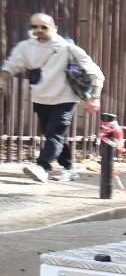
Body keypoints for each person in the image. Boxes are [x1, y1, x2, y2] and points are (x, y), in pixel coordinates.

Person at [5, 13, 104, 184]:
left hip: (65, 99)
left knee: (54, 134)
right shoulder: (25, 47)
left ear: (54, 28)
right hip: (41, 98)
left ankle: (42, 167)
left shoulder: (67, 48)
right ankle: (69, 168)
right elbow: (11, 66)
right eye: (34, 27)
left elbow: (96, 73)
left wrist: (94, 98)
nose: (39, 30)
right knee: (55, 135)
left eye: (44, 27)